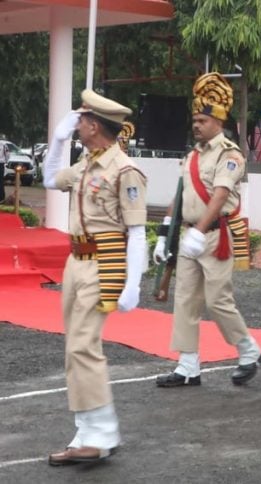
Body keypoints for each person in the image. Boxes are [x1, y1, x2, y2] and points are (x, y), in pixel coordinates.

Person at [41, 91, 146, 466]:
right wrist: (57, 140)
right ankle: (87, 430)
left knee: (84, 346)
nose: (77, 122)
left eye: (81, 119)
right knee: (75, 347)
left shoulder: (124, 170)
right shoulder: (87, 164)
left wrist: (133, 281)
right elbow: (51, 178)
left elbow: (135, 231)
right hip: (76, 262)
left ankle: (101, 434)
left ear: (95, 125)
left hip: (105, 262)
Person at [153, 73, 261, 388]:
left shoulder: (230, 154)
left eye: (201, 120)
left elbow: (220, 196)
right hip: (190, 233)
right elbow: (180, 194)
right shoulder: (191, 155)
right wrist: (164, 231)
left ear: (218, 121)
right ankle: (188, 366)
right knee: (185, 299)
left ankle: (247, 349)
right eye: (194, 119)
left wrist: (199, 232)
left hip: (213, 236)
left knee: (217, 301)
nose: (196, 125)